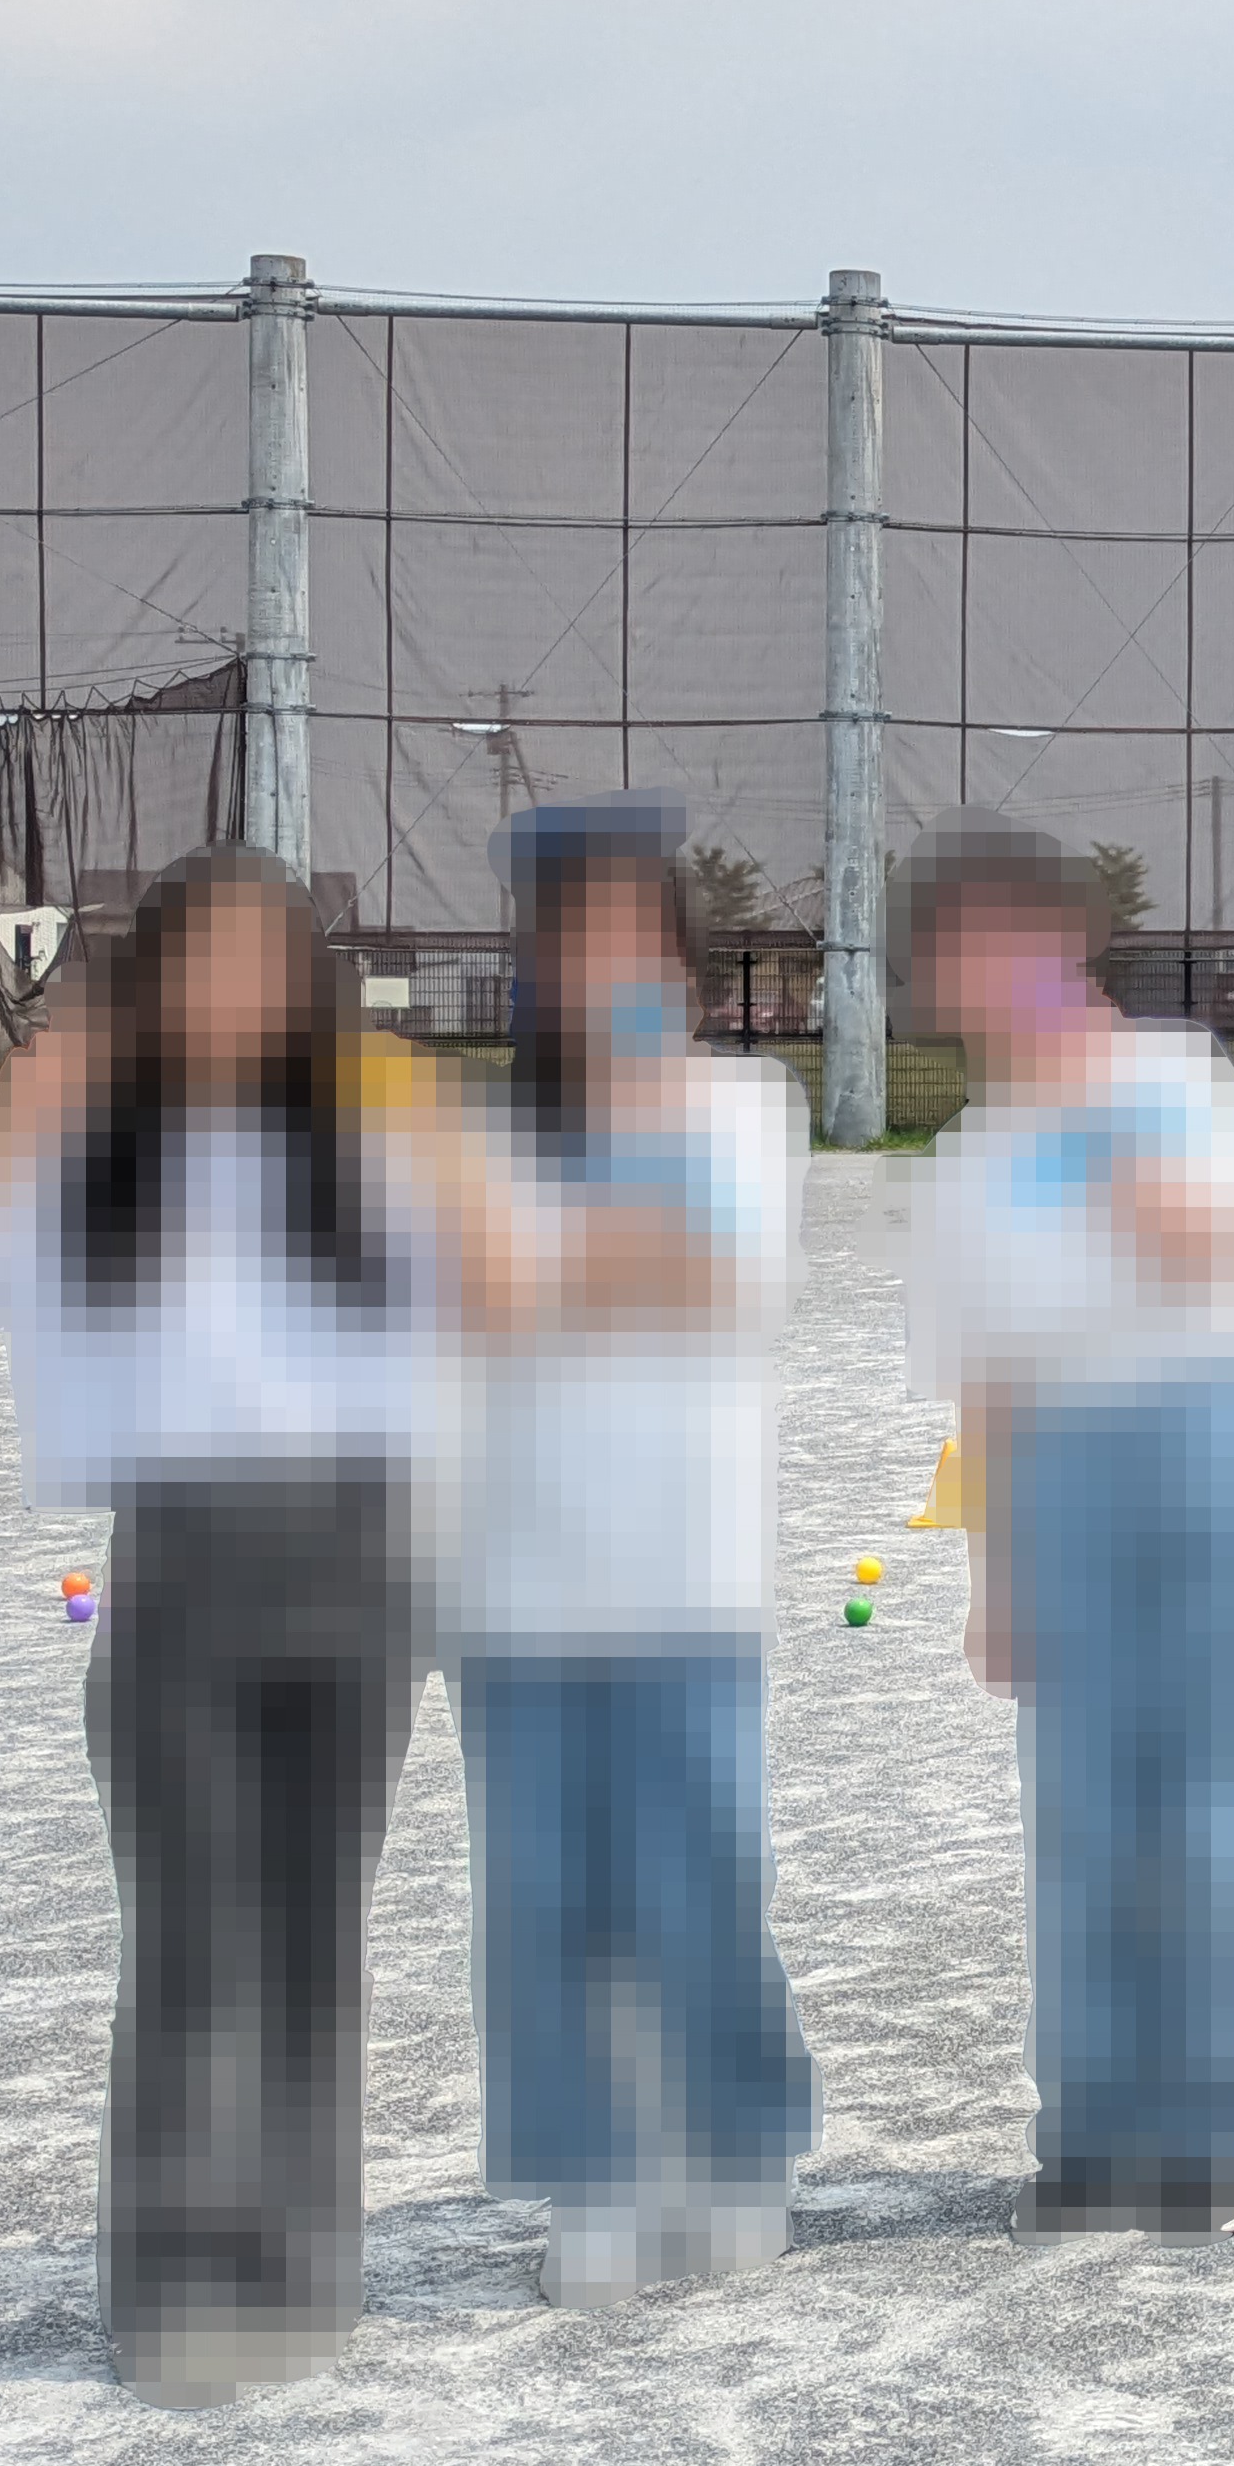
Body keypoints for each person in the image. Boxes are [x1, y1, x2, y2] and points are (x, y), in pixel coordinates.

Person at [0, 847, 525, 2405]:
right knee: (194, 1942)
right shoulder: (95, 1153)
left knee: (308, 1945)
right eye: (194, 966)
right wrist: (9, 1138)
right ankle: (176, 2282)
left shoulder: (371, 1142)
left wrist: (440, 1138)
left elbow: (503, 1308)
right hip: (178, 1581)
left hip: (358, 1568)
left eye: (258, 969)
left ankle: (295, 2265)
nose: (226, 999)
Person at [900, 820, 1234, 2240]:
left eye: (1009, 941)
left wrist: (1084, 1108)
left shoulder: (1172, 1078)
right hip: (1056, 1470)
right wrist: (993, 1571)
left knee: (1199, 1812)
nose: (985, 974)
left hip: (1208, 1443)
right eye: (960, 953)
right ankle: (1088, 2128)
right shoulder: (963, 1153)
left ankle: (1203, 2134)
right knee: (1079, 1818)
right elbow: (982, 1376)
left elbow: (1198, 1248)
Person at [447, 802, 818, 2311]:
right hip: (517, 1579)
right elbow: (459, 1310)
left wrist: (538, 1266)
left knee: (701, 1875)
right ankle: (593, 2175)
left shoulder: (739, 1112)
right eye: (564, 937)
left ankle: (734, 2150)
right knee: (544, 1897)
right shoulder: (474, 1132)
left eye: (624, 937)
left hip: (687, 1573)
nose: (594, 966)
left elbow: (714, 1278)